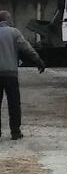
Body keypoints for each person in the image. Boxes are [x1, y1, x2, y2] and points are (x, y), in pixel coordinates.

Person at [0, 11, 45, 141]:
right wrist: (38, 60)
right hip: (11, 75)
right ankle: (15, 132)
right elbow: (26, 48)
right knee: (14, 104)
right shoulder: (14, 32)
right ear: (8, 20)